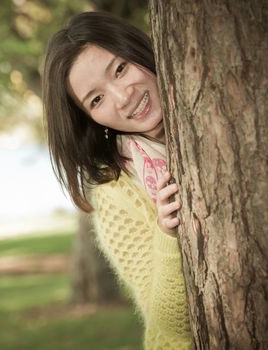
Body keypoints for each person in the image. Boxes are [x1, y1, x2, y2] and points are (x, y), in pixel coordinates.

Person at [42, 11, 193, 349]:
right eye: (97, 99)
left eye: (120, 69)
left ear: (140, 50)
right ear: (92, 120)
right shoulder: (116, 194)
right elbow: (172, 325)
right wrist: (167, 233)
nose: (123, 97)